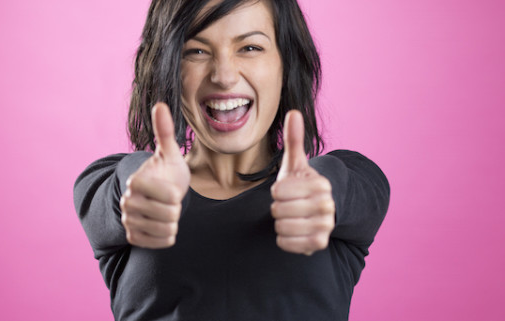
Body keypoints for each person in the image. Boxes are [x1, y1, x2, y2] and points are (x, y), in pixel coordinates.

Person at [72, 0, 390, 320]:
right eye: (196, 51)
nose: (224, 76)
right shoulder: (117, 190)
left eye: (250, 47)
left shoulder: (342, 188)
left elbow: (354, 188)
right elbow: (118, 188)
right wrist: (136, 188)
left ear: (286, 63)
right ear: (166, 68)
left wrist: (325, 192)